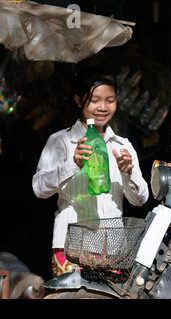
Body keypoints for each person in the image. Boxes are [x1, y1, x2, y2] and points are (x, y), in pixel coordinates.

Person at [32, 68, 149, 277]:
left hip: (112, 250)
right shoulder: (60, 141)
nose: (103, 107)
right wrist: (73, 164)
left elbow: (141, 200)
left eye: (110, 100)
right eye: (95, 100)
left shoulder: (123, 146)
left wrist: (127, 172)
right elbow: (39, 189)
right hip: (70, 249)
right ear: (78, 101)